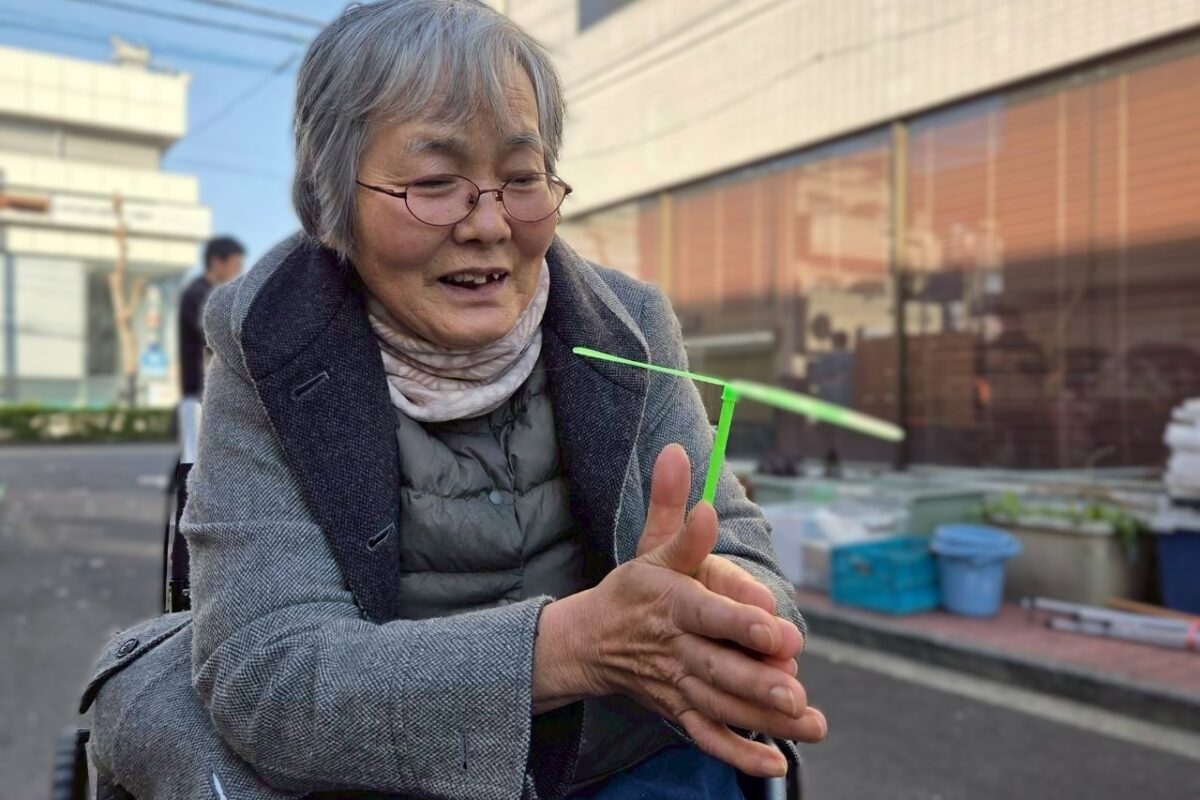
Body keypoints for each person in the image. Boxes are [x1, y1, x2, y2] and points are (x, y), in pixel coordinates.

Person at [82, 3, 826, 798]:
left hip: (611, 753)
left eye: (522, 177)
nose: (489, 224)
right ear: (331, 205)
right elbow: (272, 675)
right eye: (435, 183)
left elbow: (738, 545)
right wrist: (570, 645)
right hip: (378, 769)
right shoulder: (268, 344)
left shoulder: (628, 329)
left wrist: (724, 606)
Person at [176, 235, 244, 463]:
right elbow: (215, 338)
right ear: (217, 262)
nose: (239, 272)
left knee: (204, 463)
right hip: (198, 393)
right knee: (194, 462)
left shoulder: (212, 294)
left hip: (211, 394)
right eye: (235, 265)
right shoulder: (198, 294)